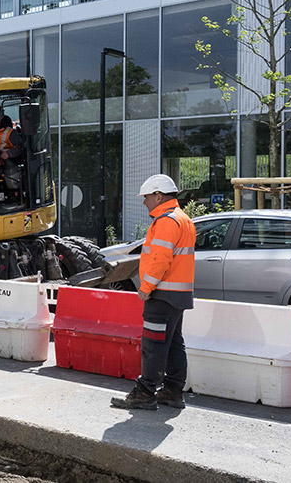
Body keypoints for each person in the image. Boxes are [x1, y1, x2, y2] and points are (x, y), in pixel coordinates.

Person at [111, 174, 196, 411]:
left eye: (147, 197)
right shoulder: (183, 219)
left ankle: (145, 392)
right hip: (177, 295)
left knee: (154, 345)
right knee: (173, 343)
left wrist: (145, 288)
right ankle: (173, 391)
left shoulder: (166, 221)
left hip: (162, 294)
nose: (144, 202)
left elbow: (160, 260)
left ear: (158, 195)